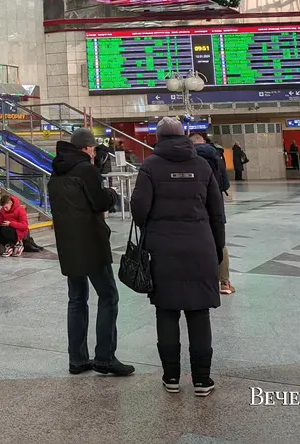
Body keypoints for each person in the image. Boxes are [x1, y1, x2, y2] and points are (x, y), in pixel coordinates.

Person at [131, 117, 224, 396]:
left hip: (163, 249)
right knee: (199, 312)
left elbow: (138, 210)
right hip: (201, 246)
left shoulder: (150, 166)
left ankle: (171, 377)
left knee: (167, 311)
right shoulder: (202, 165)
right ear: (183, 136)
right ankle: (201, 380)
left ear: (158, 138)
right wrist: (217, 248)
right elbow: (217, 212)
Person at [48, 128, 133, 377]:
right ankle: (105, 357)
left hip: (68, 244)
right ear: (87, 148)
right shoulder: (86, 169)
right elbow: (99, 202)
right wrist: (112, 194)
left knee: (76, 299)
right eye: (93, 148)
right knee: (108, 296)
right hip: (91, 242)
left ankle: (77, 359)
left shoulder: (56, 170)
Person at [191, 134, 234, 296]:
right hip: (215, 206)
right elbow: (225, 183)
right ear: (203, 141)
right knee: (220, 242)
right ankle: (224, 282)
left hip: (195, 206)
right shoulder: (217, 155)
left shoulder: (188, 157)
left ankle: (199, 279)